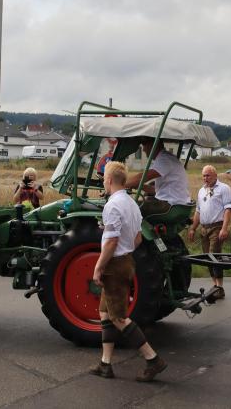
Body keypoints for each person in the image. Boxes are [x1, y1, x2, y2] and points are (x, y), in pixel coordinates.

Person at [89, 161, 166, 382]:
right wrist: (126, 251)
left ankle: (153, 360)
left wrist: (99, 266)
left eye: (104, 179)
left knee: (119, 317)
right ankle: (105, 364)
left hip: (114, 264)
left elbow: (112, 241)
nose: (103, 182)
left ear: (111, 180)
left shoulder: (112, 206)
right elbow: (138, 237)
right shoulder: (131, 203)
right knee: (105, 313)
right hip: (126, 260)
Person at [187, 165, 231, 295]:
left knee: (214, 256)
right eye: (203, 175)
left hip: (217, 227)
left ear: (215, 175)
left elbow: (228, 209)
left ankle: (220, 287)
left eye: (208, 175)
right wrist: (193, 228)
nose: (205, 178)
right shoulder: (202, 191)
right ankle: (214, 286)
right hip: (204, 228)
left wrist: (224, 228)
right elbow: (198, 211)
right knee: (207, 258)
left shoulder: (224, 189)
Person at [126, 137, 191, 220]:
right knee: (140, 202)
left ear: (153, 145)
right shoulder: (166, 158)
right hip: (176, 204)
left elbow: (144, 176)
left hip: (171, 205)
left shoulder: (164, 159)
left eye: (144, 145)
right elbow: (157, 191)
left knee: (129, 206)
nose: (143, 149)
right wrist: (137, 185)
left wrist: (122, 183)